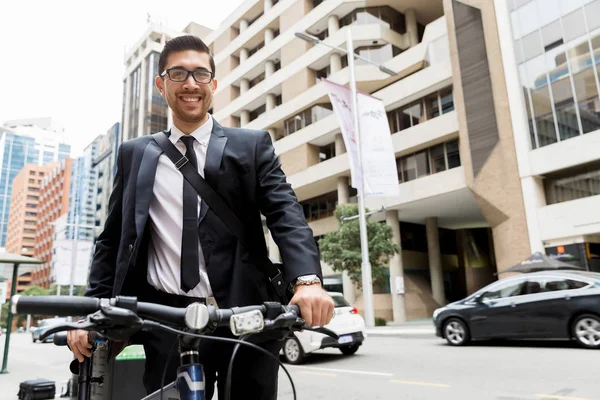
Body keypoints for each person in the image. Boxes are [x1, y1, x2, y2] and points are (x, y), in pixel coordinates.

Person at [67, 35, 334, 399]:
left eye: (200, 74)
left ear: (214, 84)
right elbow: (112, 239)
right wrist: (90, 311)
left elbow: (285, 212)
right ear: (162, 84)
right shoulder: (134, 154)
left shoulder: (251, 145)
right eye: (178, 73)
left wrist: (307, 280)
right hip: (167, 322)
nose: (191, 83)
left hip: (246, 317)